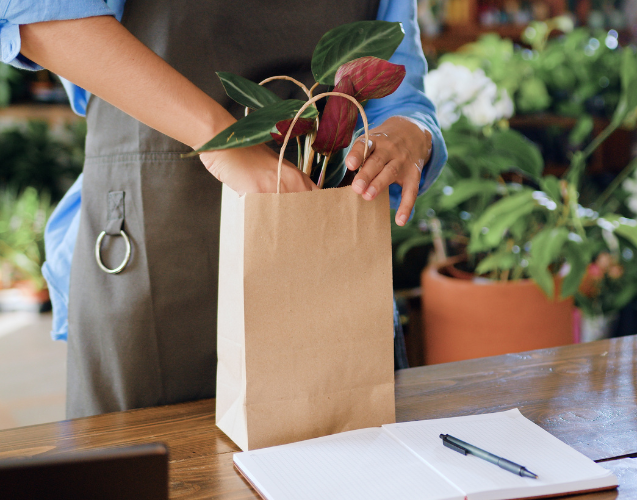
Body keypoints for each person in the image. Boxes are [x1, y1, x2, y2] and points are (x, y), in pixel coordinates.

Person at [3, 0, 446, 418]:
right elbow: (39, 18)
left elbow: (402, 96)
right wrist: (223, 140)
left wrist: (412, 134)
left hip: (317, 251)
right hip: (150, 244)